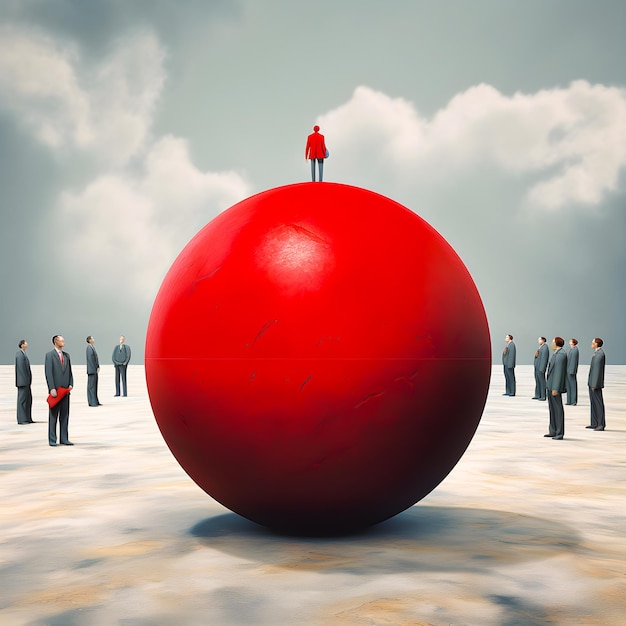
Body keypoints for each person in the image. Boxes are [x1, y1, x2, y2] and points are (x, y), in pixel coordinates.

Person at [45, 335, 74, 446]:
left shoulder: (67, 356)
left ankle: (64, 439)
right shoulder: (49, 356)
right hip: (55, 391)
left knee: (65, 415)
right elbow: (48, 372)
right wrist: (51, 387)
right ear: (56, 341)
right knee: (53, 416)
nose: (63, 342)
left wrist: (71, 383)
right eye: (62, 340)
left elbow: (70, 371)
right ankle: (52, 440)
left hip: (66, 391)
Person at [544, 337, 567, 440]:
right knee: (552, 409)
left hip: (554, 387)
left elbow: (559, 373)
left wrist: (555, 388)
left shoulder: (561, 355)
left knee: (557, 410)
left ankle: (559, 432)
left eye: (553, 342)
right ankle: (552, 430)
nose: (551, 344)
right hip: (550, 385)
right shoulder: (556, 353)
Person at [587, 337, 606, 431]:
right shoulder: (597, 353)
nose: (591, 343)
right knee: (593, 403)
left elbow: (597, 371)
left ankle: (600, 424)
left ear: (596, 344)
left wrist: (594, 384)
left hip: (595, 384)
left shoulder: (599, 354)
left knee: (598, 404)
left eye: (593, 342)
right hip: (592, 382)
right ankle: (594, 423)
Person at [15, 339, 34, 424]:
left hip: (26, 382)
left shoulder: (23, 354)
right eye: (26, 343)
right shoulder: (19, 355)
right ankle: (22, 419)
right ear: (22, 345)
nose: (27, 344)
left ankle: (27, 418)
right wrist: (25, 380)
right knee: (22, 401)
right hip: (23, 382)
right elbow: (21, 369)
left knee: (28, 400)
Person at [86, 335, 101, 407]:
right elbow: (90, 360)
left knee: (95, 386)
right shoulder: (89, 348)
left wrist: (97, 367)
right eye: (92, 338)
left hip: (94, 370)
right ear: (89, 340)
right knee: (91, 387)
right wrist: (94, 369)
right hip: (92, 370)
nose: (93, 340)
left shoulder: (92, 348)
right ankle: (92, 402)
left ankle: (95, 401)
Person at [566, 338, 579, 405]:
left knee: (573, 386)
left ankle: (573, 401)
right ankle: (569, 400)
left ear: (573, 343)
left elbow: (574, 361)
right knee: (568, 386)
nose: (569, 342)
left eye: (570, 341)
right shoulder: (572, 349)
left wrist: (572, 370)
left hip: (571, 370)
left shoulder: (575, 350)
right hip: (568, 370)